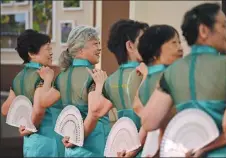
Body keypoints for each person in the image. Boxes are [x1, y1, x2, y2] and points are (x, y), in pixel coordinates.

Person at [133, 3, 226, 157]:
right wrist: (204, 148)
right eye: (224, 26)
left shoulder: (171, 72)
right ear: (204, 30)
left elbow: (149, 122)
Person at [1, 29, 62, 157]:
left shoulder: (19, 77)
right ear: (32, 54)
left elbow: (5, 110)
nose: (51, 52)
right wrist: (30, 127)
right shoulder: (43, 76)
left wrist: (23, 123)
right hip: (48, 142)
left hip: (31, 144)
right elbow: (39, 110)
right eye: (47, 49)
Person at [55, 25, 112, 157]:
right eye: (94, 44)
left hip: (69, 150)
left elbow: (44, 105)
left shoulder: (61, 77)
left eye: (99, 43)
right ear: (80, 50)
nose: (99, 48)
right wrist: (101, 85)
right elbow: (95, 112)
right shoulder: (94, 77)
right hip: (93, 147)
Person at [133, 24, 183, 156]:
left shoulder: (146, 81)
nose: (180, 48)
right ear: (156, 51)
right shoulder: (171, 77)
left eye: (179, 42)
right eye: (174, 43)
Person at [103, 19, 149, 157]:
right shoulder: (147, 74)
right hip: (145, 148)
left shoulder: (109, 81)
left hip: (121, 148)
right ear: (130, 46)